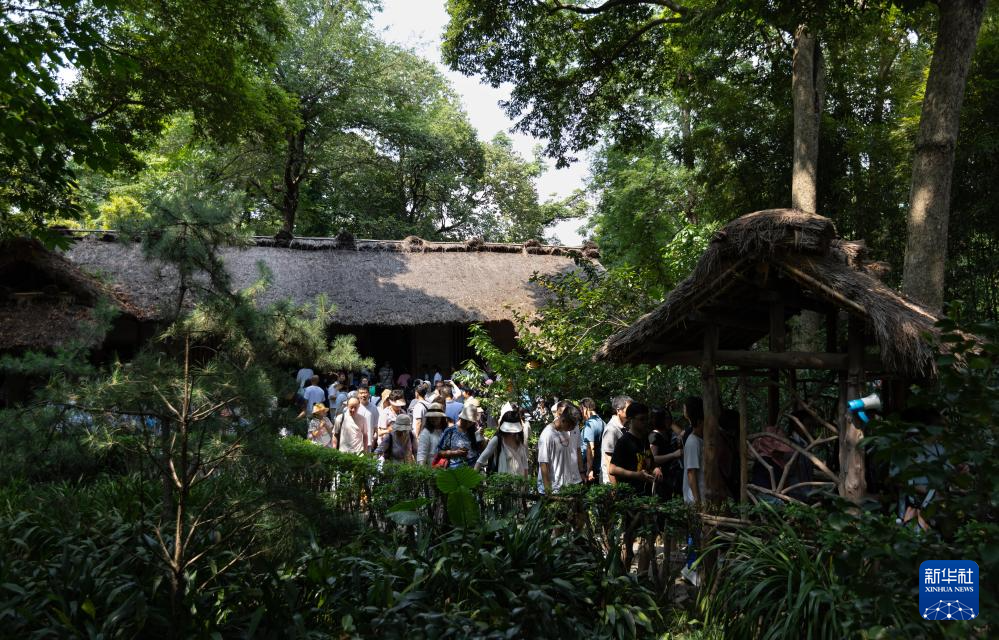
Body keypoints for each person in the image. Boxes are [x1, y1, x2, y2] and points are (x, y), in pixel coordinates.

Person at [538, 403, 585, 494]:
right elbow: (543, 464)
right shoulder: (547, 435)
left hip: (566, 487)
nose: (572, 429)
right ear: (563, 420)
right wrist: (548, 492)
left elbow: (576, 451)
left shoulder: (565, 431)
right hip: (553, 489)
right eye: (570, 426)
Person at [474, 411, 530, 478]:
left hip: (520, 482)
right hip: (503, 483)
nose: (512, 432)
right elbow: (480, 460)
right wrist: (473, 479)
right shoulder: (497, 440)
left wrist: (526, 482)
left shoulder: (520, 439)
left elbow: (525, 464)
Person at [649, 407, 684, 499]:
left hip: (673, 476)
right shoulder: (654, 436)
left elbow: (683, 434)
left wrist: (671, 424)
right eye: (665, 418)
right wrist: (673, 455)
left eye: (669, 418)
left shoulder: (667, 433)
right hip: (663, 478)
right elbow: (653, 458)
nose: (668, 420)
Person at [437, 403, 482, 468]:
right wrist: (455, 453)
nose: (469, 424)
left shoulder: (473, 431)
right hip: (456, 470)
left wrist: (480, 438)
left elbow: (480, 449)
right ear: (461, 417)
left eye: (471, 422)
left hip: (474, 469)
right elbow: (439, 452)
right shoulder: (450, 431)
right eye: (467, 420)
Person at [601, 395, 632, 484]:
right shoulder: (611, 429)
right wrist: (615, 488)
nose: (632, 412)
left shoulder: (625, 427)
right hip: (612, 482)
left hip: (623, 480)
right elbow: (608, 461)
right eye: (629, 409)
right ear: (618, 410)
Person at [682, 396, 705, 505]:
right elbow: (691, 472)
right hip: (696, 499)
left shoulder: (702, 440)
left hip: (704, 497)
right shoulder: (693, 442)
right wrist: (697, 501)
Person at [580, 398, 605, 484]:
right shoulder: (602, 422)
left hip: (590, 469)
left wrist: (589, 469)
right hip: (599, 466)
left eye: (581, 410)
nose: (581, 413)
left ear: (585, 408)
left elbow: (591, 448)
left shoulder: (589, 424)